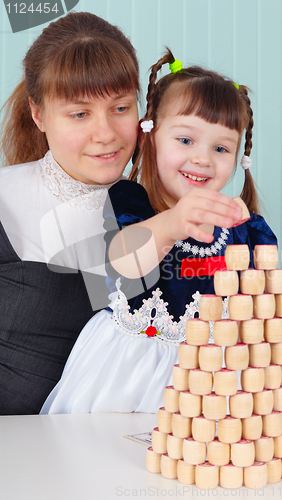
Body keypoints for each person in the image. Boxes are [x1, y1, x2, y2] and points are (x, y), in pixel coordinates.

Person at [40, 49, 277, 415]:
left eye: (220, 148)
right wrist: (173, 223)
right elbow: (125, 264)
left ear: (238, 158)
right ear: (150, 136)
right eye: (185, 140)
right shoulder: (133, 203)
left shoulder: (245, 228)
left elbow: (263, 307)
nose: (202, 158)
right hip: (129, 373)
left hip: (210, 381)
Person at [0, 11, 140, 415]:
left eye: (120, 107)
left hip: (120, 460)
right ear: (38, 114)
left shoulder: (160, 217)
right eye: (80, 114)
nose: (106, 133)